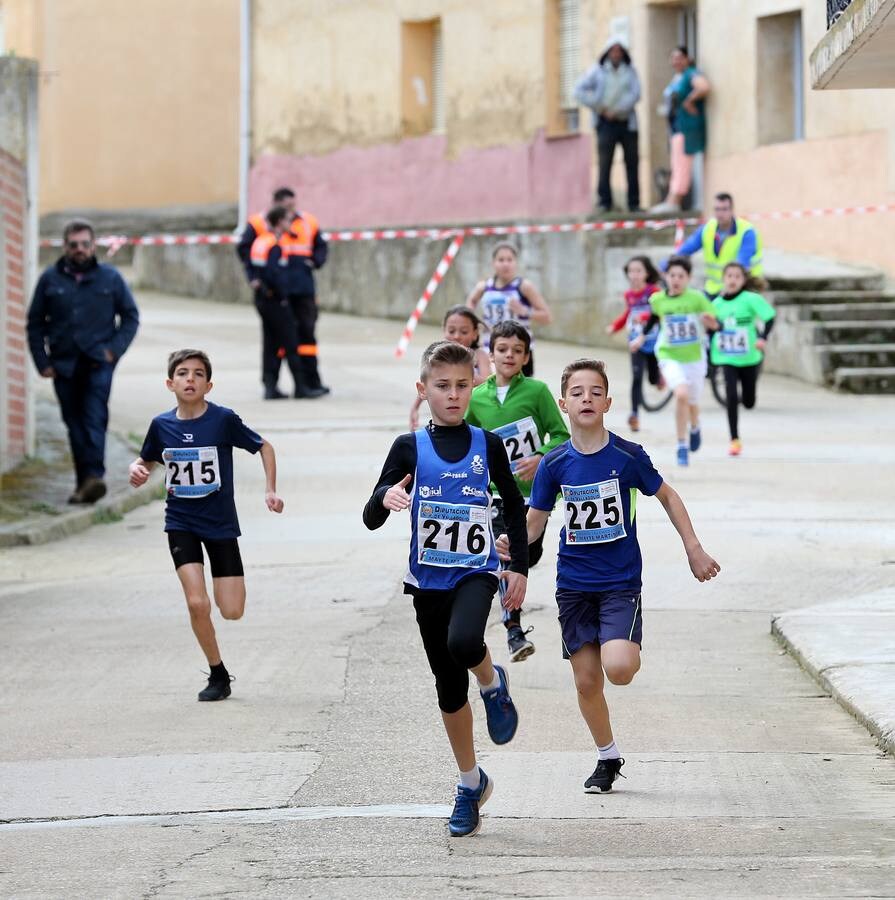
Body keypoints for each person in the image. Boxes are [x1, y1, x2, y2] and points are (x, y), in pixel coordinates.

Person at [497, 358, 720, 793]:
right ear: (563, 404)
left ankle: (621, 638)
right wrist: (513, 548)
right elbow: (536, 520)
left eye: (595, 392)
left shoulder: (627, 456)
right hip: (574, 586)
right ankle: (607, 755)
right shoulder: (554, 463)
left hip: (619, 583)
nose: (586, 399)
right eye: (577, 393)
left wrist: (693, 547)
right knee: (586, 680)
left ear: (608, 402)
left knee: (618, 668)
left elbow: (668, 496)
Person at [363, 340, 529, 838]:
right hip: (426, 580)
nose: (453, 395)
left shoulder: (487, 444)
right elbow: (371, 517)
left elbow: (515, 508)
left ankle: (492, 682)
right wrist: (385, 495)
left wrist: (518, 566)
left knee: (463, 642)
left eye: (462, 385)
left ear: (474, 385)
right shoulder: (408, 447)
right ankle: (470, 783)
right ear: (424, 389)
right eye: (442, 387)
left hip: (475, 571)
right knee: (447, 688)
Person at [128, 349, 284, 702]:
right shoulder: (161, 425)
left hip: (220, 525)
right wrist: (136, 470)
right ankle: (217, 673)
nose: (190, 379)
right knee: (197, 603)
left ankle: (221, 631)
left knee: (231, 610)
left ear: (208, 385)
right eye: (182, 373)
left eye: (198, 374)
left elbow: (265, 447)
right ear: (170, 383)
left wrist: (270, 490)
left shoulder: (223, 420)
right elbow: (146, 460)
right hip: (180, 522)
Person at [466, 321, 570, 662]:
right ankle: (514, 631)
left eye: (517, 350)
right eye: (502, 349)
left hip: (534, 498)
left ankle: (512, 598)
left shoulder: (537, 392)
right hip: (497, 496)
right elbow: (468, 441)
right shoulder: (477, 397)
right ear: (491, 353)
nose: (509, 355)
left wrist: (540, 457)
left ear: (526, 356)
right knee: (505, 552)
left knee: (528, 554)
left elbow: (560, 435)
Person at [26, 219, 139, 504]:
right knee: (73, 424)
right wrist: (42, 362)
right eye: (73, 245)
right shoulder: (50, 279)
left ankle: (95, 476)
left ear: (93, 245)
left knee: (94, 419)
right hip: (63, 366)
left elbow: (130, 317)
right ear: (65, 246)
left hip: (98, 363)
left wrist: (113, 350)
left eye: (85, 244)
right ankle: (84, 483)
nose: (79, 249)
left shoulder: (110, 278)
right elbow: (35, 323)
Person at [236, 187, 330, 398]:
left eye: (293, 206)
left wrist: (314, 262)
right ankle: (284, 385)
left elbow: (321, 247)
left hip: (301, 287)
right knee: (280, 339)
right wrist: (254, 278)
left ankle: (310, 381)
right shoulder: (260, 226)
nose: (292, 213)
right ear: (277, 206)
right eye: (287, 208)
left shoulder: (308, 221)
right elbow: (246, 251)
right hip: (280, 293)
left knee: (306, 337)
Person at [631, 256, 717, 467]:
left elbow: (715, 323)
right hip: (669, 355)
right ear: (666, 277)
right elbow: (652, 319)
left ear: (688, 278)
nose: (676, 280)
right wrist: (641, 337)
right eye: (672, 275)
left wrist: (710, 322)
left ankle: (694, 426)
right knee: (681, 394)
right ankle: (681, 445)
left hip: (695, 357)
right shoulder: (659, 300)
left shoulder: (697, 299)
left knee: (693, 401)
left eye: (681, 276)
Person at [708, 262, 776, 456]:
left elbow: (769, 317)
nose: (732, 280)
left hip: (749, 357)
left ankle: (747, 397)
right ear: (723, 279)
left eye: (737, 276)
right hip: (726, 357)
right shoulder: (716, 304)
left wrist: (763, 338)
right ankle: (734, 439)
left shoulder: (751, 299)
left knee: (748, 401)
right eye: (729, 276)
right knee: (730, 396)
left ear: (743, 280)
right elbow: (713, 329)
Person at [574, 37, 642, 213]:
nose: (616, 54)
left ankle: (633, 202)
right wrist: (599, 107)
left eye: (619, 51)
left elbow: (636, 93)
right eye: (613, 51)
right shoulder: (597, 71)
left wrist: (618, 110)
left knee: (632, 162)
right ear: (607, 53)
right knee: (605, 163)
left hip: (626, 122)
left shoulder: (630, 71)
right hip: (605, 123)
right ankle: (605, 202)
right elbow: (578, 90)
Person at [466, 242, 552, 376]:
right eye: (501, 260)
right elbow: (471, 301)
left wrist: (525, 311)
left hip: (519, 348)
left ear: (515, 263)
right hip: (492, 346)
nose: (505, 264)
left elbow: (547, 317)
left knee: (521, 392)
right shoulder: (484, 286)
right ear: (493, 263)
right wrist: (473, 321)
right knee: (493, 387)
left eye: (509, 260)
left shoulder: (524, 287)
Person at [605, 255, 663, 432]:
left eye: (638, 271)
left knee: (652, 379)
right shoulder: (629, 295)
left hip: (653, 341)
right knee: (636, 377)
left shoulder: (654, 292)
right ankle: (634, 414)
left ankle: (659, 377)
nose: (634, 275)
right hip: (635, 342)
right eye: (631, 271)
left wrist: (644, 317)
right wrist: (615, 326)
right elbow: (627, 314)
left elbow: (659, 313)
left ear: (646, 273)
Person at [409, 306, 491, 430]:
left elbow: (488, 384)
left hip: (473, 417)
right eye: (451, 331)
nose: (457, 336)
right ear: (444, 330)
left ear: (475, 334)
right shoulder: (437, 357)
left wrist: (466, 372)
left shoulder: (479, 355)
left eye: (464, 332)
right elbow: (428, 383)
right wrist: (415, 408)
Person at [670, 193, 764, 298]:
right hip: (713, 289)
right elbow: (684, 251)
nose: (720, 213)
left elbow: (741, 265)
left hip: (742, 289)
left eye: (724, 209)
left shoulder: (746, 232)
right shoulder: (707, 229)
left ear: (732, 210)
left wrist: (728, 290)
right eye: (717, 209)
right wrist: (666, 267)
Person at [651, 47, 710, 213]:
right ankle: (671, 199)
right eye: (673, 58)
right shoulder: (677, 78)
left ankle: (675, 200)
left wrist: (689, 101)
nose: (676, 61)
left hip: (687, 127)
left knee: (682, 164)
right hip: (675, 127)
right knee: (676, 163)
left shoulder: (691, 73)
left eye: (680, 57)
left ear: (687, 59)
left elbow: (704, 87)